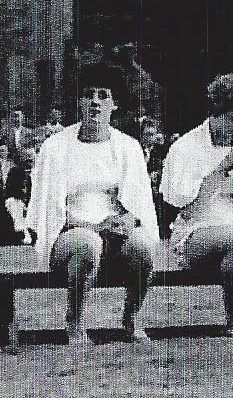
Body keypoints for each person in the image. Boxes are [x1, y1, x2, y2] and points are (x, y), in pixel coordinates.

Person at [25, 73, 163, 347]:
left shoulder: (128, 146)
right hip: (69, 234)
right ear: (79, 101)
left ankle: (131, 318)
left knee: (143, 245)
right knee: (87, 244)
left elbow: (139, 204)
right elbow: (50, 208)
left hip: (114, 233)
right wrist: (92, 228)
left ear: (115, 105)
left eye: (103, 96)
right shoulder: (56, 147)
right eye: (88, 95)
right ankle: (75, 320)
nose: (95, 103)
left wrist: (126, 219)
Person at [157, 73, 233, 338]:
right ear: (216, 112)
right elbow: (188, 208)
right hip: (193, 232)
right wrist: (224, 166)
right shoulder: (186, 147)